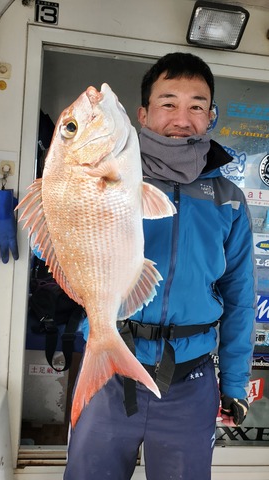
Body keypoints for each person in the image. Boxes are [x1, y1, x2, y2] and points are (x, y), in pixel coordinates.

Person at [64, 52, 256, 480]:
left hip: (190, 379)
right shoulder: (105, 172)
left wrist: (236, 383)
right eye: (168, 103)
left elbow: (240, 297)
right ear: (143, 114)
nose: (182, 117)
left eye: (196, 105)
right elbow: (61, 247)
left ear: (211, 116)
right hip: (109, 368)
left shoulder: (227, 198)